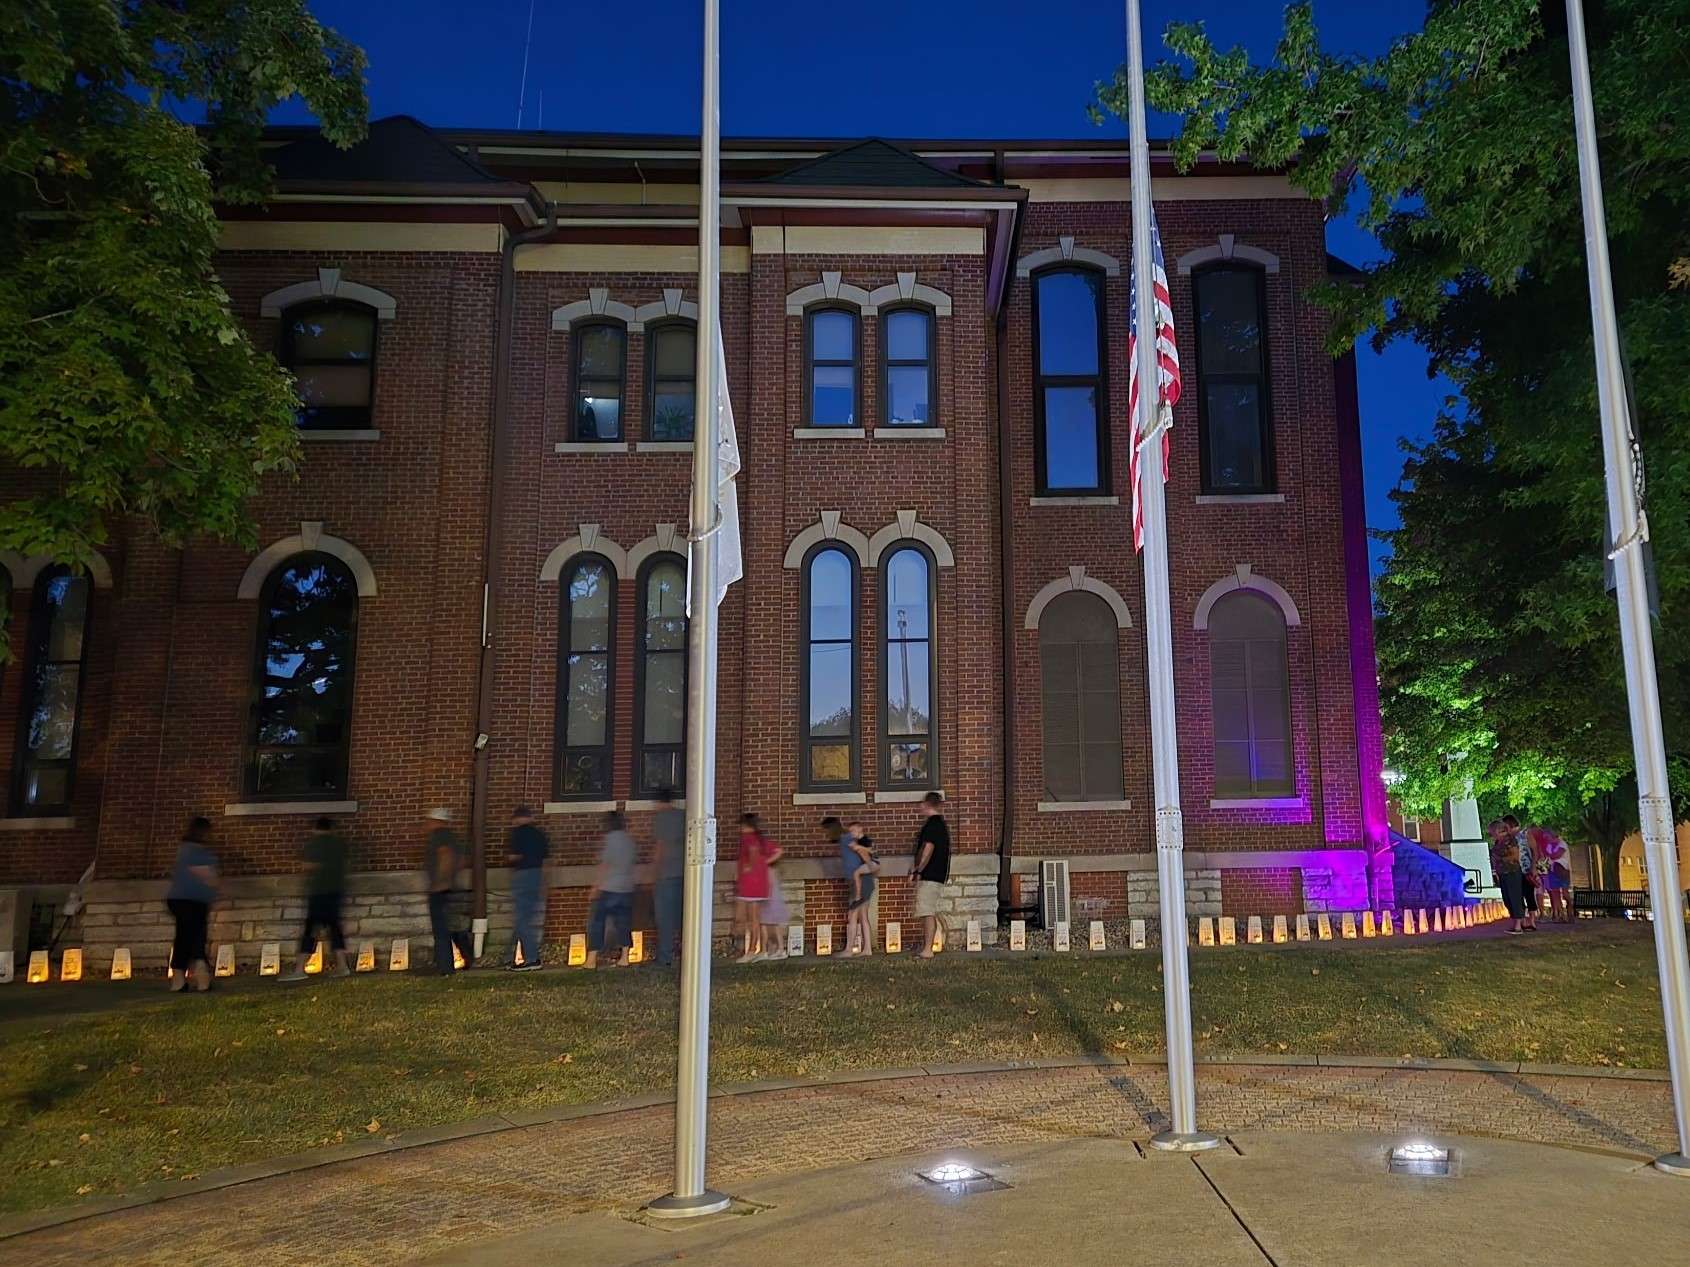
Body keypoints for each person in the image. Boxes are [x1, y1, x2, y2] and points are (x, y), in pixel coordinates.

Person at [280, 817, 351, 982]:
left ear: (315, 828)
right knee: (335, 928)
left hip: (318, 892)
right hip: (336, 891)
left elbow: (307, 866)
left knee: (310, 929)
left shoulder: (314, 845)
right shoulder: (339, 844)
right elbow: (346, 864)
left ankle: (299, 969)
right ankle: (343, 966)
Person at [166, 816, 218, 992]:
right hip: (193, 900)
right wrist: (216, 884)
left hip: (180, 899)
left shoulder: (185, 849)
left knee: (183, 937)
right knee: (196, 937)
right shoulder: (197, 851)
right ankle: (202, 978)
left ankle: (179, 981)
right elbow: (205, 874)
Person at [586, 810, 636, 969]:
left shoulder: (609, 840)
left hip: (608, 887)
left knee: (597, 922)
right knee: (624, 923)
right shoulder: (629, 841)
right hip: (627, 887)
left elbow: (605, 865)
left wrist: (595, 887)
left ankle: (591, 959)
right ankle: (624, 958)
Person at [505, 806, 549, 970]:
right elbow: (546, 861)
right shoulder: (539, 834)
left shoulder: (517, 833)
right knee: (524, 919)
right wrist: (545, 884)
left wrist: (511, 860)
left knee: (521, 920)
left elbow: (514, 856)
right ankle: (510, 957)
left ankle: (532, 959)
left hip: (523, 876)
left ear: (517, 818)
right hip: (537, 876)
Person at [422, 808, 463, 975]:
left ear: (437, 821)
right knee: (448, 927)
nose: (427, 824)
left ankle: (445, 967)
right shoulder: (451, 837)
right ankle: (461, 957)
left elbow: (446, 856)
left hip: (440, 889)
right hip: (448, 887)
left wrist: (440, 882)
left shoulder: (440, 836)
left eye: (430, 821)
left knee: (441, 929)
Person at [912, 791, 951, 958]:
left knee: (927, 912)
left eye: (922, 803)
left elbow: (928, 849)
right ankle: (927, 947)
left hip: (931, 875)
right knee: (928, 911)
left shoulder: (932, 825)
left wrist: (919, 870)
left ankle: (928, 950)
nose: (920, 806)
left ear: (928, 804)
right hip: (936, 874)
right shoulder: (939, 824)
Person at [650, 788, 685, 967]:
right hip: (684, 875)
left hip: (666, 875)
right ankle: (686, 953)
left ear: (659, 802)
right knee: (683, 917)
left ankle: (665, 957)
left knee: (664, 919)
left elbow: (660, 847)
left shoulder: (661, 818)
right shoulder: (683, 816)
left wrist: (654, 872)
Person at [1488, 817, 1535, 934]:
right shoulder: (1498, 842)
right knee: (1507, 898)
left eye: (1492, 832)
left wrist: (1499, 858)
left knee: (1515, 897)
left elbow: (1513, 855)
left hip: (1512, 871)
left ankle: (1518, 925)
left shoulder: (1510, 840)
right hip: (1503, 872)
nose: (1491, 835)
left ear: (1497, 830)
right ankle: (1519, 922)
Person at [751, 815, 789, 961]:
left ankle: (778, 949)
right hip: (765, 893)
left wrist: (765, 862)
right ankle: (768, 949)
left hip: (768, 895)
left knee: (770, 922)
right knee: (765, 923)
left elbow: (779, 851)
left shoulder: (765, 851)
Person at [734, 813, 771, 962]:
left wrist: (749, 866)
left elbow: (753, 852)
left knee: (752, 919)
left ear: (746, 825)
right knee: (754, 918)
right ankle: (757, 949)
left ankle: (751, 950)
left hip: (750, 884)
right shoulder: (759, 838)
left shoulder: (748, 838)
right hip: (757, 882)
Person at [1524, 821, 1573, 922]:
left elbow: (1556, 855)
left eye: (1547, 836)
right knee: (1554, 892)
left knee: (1563, 893)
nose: (1546, 838)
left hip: (1562, 870)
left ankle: (1568, 910)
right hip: (1552, 870)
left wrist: (1544, 854)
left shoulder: (1561, 844)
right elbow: (1547, 855)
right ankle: (1558, 914)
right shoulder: (1548, 845)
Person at [844, 818, 879, 955]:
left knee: (854, 915)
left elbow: (868, 854)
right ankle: (867, 949)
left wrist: (857, 848)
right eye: (850, 831)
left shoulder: (863, 841)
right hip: (867, 878)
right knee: (863, 916)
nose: (851, 833)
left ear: (860, 829)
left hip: (866, 878)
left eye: (853, 830)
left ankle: (849, 949)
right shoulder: (860, 842)